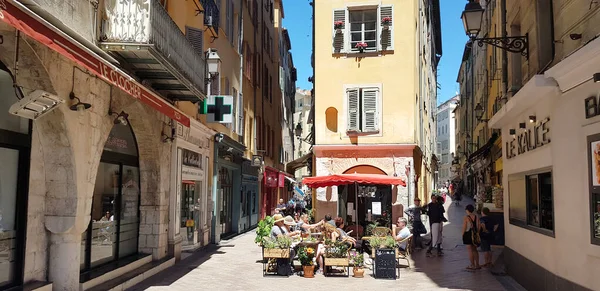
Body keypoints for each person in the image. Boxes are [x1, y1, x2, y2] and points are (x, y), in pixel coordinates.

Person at [462, 204, 481, 270]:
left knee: (470, 250)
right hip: (475, 234)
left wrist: (463, 234)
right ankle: (477, 264)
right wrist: (477, 234)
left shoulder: (466, 218)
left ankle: (472, 265)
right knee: (475, 250)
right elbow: (479, 226)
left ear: (467, 210)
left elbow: (464, 227)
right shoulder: (476, 217)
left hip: (468, 234)